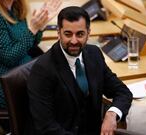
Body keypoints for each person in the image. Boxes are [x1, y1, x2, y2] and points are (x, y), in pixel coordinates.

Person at [26, 6, 133, 135]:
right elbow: (46, 127)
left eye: (80, 34)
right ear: (58, 33)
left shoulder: (94, 54)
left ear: (89, 33)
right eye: (68, 34)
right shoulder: (42, 70)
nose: (74, 41)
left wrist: (111, 114)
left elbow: (122, 92)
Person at [0, 0, 60, 134]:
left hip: (21, 72)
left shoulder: (16, 6)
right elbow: (9, 57)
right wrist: (32, 29)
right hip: (4, 83)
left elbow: (29, 43)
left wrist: (39, 27)